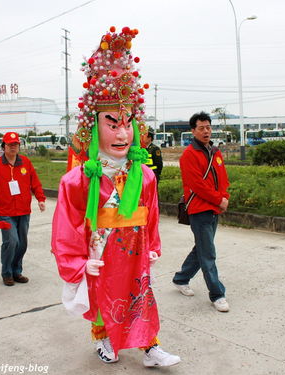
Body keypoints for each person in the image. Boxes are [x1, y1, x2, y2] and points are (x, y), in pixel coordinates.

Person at [51, 26, 180, 368]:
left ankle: (150, 346)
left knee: (142, 295)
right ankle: (103, 337)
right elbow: (67, 226)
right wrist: (78, 262)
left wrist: (153, 243)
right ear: (93, 127)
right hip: (101, 249)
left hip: (136, 249)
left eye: (127, 123)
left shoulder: (145, 175)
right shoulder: (77, 179)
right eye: (112, 123)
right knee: (101, 297)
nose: (122, 133)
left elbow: (150, 213)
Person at [172, 111, 231, 312]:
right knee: (208, 253)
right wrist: (218, 199)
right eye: (201, 128)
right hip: (200, 209)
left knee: (202, 249)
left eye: (208, 127)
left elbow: (222, 178)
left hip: (214, 207)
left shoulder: (215, 151)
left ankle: (181, 278)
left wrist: (224, 198)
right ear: (193, 131)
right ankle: (217, 294)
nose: (206, 131)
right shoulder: (189, 155)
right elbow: (197, 185)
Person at [0, 132, 46, 286]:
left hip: (23, 210)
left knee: (22, 243)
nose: (13, 147)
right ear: (4, 146)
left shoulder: (26, 163)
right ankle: (7, 272)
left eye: (16, 144)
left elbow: (35, 182)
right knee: (11, 241)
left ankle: (17, 271)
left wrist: (40, 199)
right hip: (6, 212)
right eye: (10, 144)